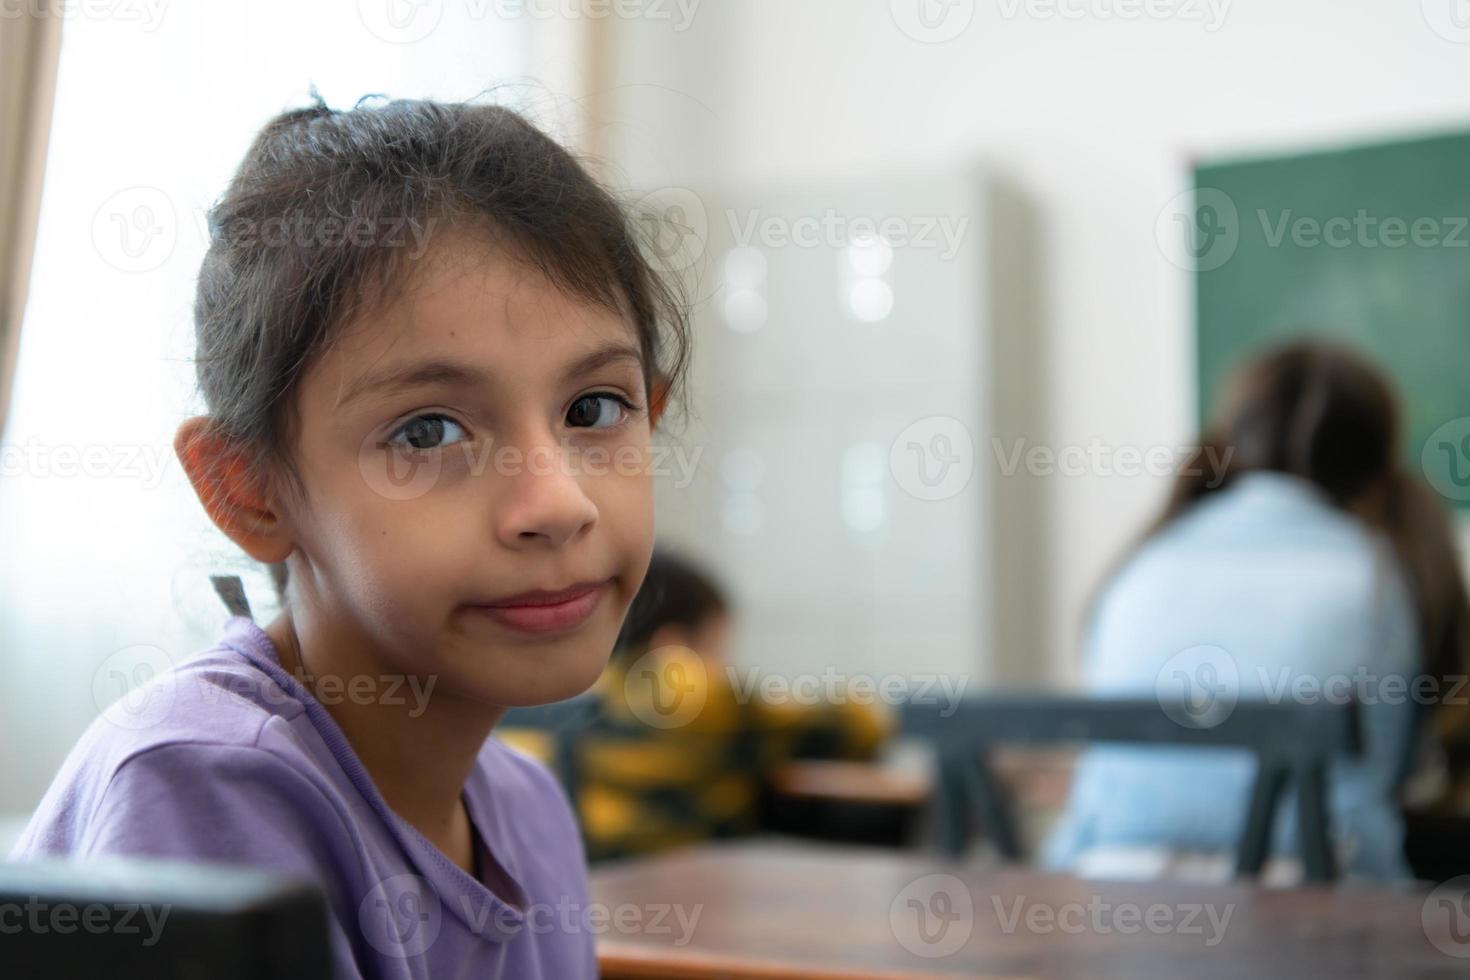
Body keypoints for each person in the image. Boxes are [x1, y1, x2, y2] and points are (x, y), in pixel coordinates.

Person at [7, 93, 689, 979]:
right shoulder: (202, 785)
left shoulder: (526, 807)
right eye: (428, 432)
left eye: (594, 409)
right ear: (247, 489)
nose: (557, 504)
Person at [1043, 339, 1470, 881]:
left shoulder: (1141, 563)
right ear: (1378, 464)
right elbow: (1406, 770)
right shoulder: (1383, 576)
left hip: (1107, 915)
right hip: (1323, 925)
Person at [501, 549, 891, 861]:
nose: (724, 665)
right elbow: (860, 726)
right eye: (718, 646)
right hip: (667, 918)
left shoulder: (538, 690)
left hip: (557, 913)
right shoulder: (685, 690)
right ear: (674, 645)